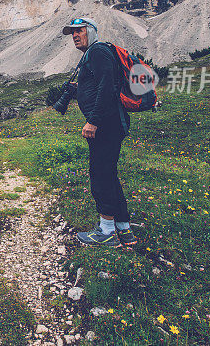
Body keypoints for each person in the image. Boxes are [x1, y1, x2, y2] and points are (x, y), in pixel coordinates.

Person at [62, 17, 137, 247]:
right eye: (72, 32)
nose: (75, 35)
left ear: (92, 31)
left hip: (106, 125)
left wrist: (93, 121)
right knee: (109, 174)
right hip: (111, 124)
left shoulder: (97, 52)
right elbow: (101, 84)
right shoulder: (95, 54)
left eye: (80, 31)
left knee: (100, 175)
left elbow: (107, 86)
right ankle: (124, 229)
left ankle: (105, 231)